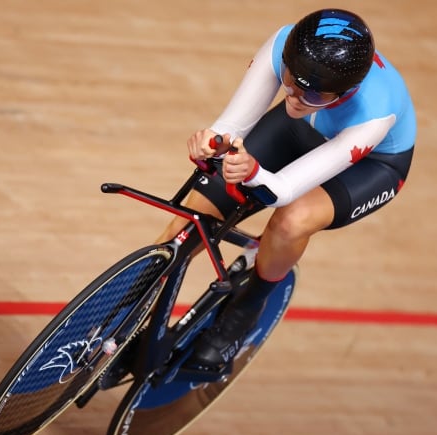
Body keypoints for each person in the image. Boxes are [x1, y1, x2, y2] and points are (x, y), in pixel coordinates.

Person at [156, 8, 417, 369]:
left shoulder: (374, 112)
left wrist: (251, 172)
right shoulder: (285, 45)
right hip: (301, 129)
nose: (293, 97)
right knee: (192, 220)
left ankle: (248, 306)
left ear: (346, 93)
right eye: (290, 82)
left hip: (371, 165)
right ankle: (132, 304)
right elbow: (231, 126)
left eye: (313, 95)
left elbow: (281, 190)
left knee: (292, 220)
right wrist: (214, 142)